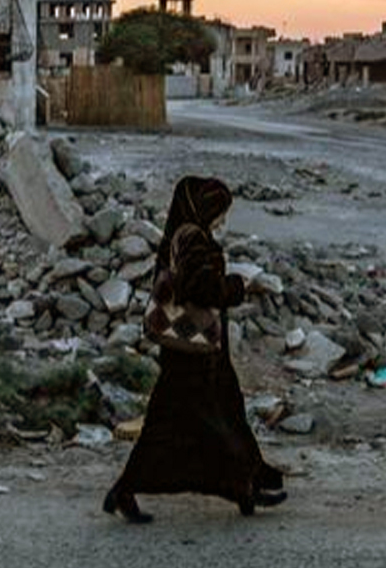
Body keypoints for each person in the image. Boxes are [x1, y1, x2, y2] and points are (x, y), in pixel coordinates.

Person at [102, 176, 286, 524]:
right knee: (201, 423)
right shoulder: (192, 238)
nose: (222, 222)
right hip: (192, 354)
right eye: (219, 213)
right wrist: (236, 286)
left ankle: (246, 483)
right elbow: (199, 288)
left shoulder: (183, 233)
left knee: (223, 414)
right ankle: (240, 485)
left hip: (199, 350)